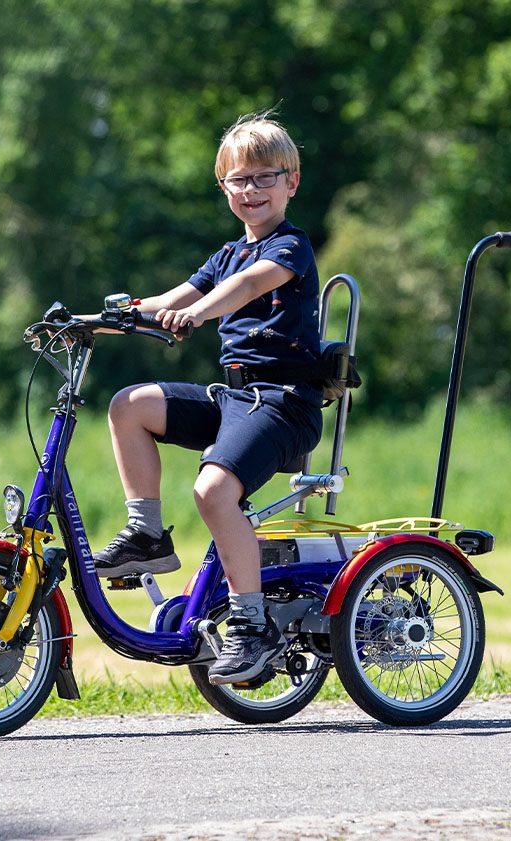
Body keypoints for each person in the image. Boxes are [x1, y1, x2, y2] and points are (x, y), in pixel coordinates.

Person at [94, 112, 323, 685]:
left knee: (213, 490)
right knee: (129, 405)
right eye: (238, 180)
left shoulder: (291, 247)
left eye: (266, 177)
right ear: (224, 188)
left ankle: (252, 625)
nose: (252, 191)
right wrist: (94, 320)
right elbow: (168, 298)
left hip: (284, 403)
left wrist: (195, 314)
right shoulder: (225, 255)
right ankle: (147, 534)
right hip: (235, 399)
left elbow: (244, 288)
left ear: (292, 182)